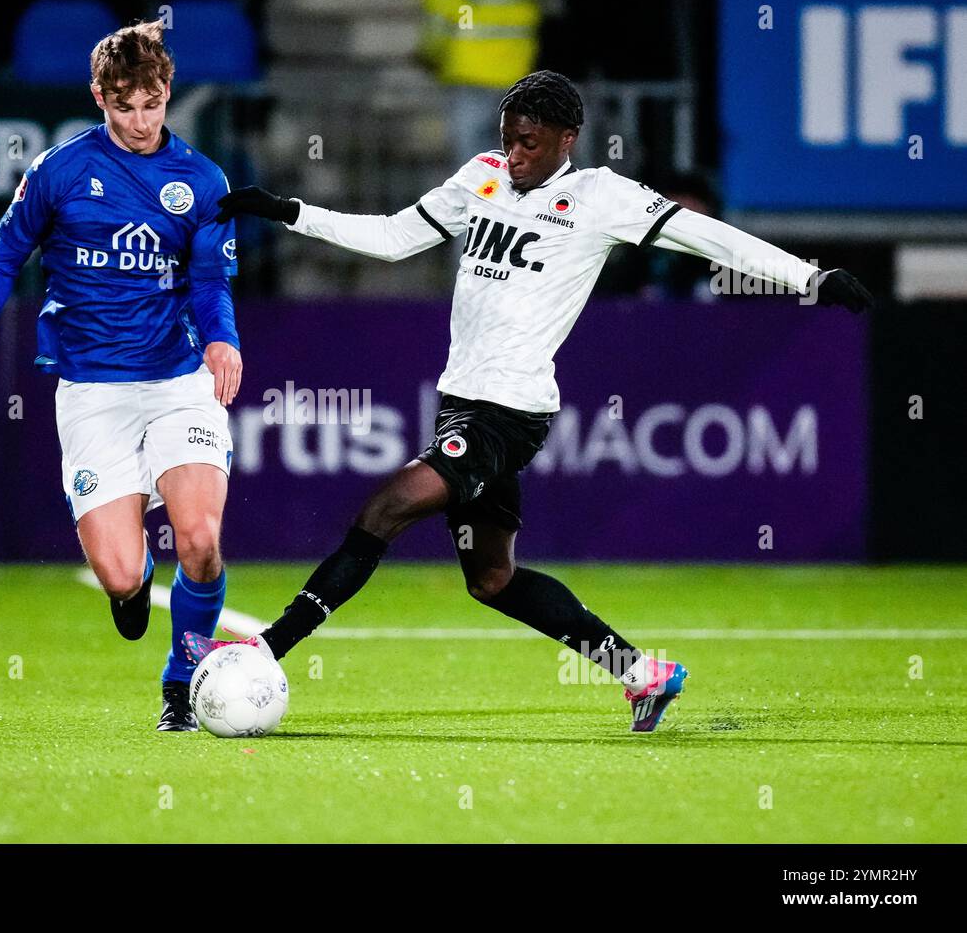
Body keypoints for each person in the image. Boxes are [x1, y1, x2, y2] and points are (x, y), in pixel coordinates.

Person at [187, 70, 873, 732]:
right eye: (509, 137)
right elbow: (396, 238)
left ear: (569, 137)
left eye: (530, 143)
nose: (514, 155)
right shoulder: (482, 175)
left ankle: (268, 646)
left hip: (508, 413)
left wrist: (809, 276)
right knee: (491, 579)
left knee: (385, 509)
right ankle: (643, 673)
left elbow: (710, 237)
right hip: (460, 402)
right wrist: (290, 212)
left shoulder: (603, 197)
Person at [0, 20, 242, 732]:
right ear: (99, 97)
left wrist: (222, 340)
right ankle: (131, 579)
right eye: (125, 106)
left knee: (198, 537)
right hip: (93, 393)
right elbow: (2, 261)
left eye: (154, 103)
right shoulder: (59, 173)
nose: (142, 122)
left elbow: (211, 283)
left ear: (169, 94)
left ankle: (182, 679)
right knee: (123, 575)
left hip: (176, 380)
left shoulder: (201, 179)